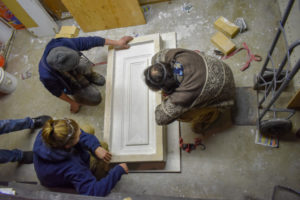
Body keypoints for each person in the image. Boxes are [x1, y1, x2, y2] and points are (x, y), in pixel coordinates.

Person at [144, 48, 235, 132]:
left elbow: (160, 118)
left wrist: (165, 102)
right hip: (224, 68)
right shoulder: (173, 54)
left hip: (226, 93)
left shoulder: (182, 97)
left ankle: (210, 117)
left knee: (182, 115)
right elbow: (155, 57)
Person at [33, 118, 128, 197]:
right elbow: (94, 192)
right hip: (56, 180)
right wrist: (117, 171)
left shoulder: (48, 133)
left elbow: (78, 133)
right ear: (68, 146)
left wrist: (95, 147)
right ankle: (101, 173)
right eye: (79, 135)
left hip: (50, 169)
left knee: (88, 129)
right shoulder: (73, 167)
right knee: (104, 147)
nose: (81, 133)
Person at [39, 36, 133, 113]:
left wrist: (117, 42)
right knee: (95, 99)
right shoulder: (46, 75)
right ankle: (79, 83)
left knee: (84, 63)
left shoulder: (63, 43)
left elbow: (91, 41)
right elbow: (57, 92)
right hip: (66, 80)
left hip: (69, 61)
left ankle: (90, 75)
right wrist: (72, 102)